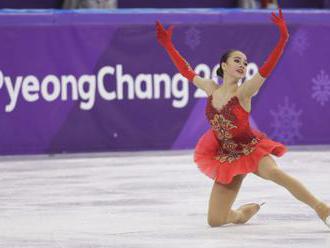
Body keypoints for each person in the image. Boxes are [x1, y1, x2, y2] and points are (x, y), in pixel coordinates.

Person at [155, 8, 330, 228]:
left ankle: (322, 208)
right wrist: (168, 45)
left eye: (245, 63)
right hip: (227, 157)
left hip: (251, 149)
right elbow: (186, 70)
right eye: (237, 60)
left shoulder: (245, 92)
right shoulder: (210, 88)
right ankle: (241, 214)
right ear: (224, 66)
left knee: (276, 174)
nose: (243, 65)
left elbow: (266, 69)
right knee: (215, 221)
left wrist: (283, 39)